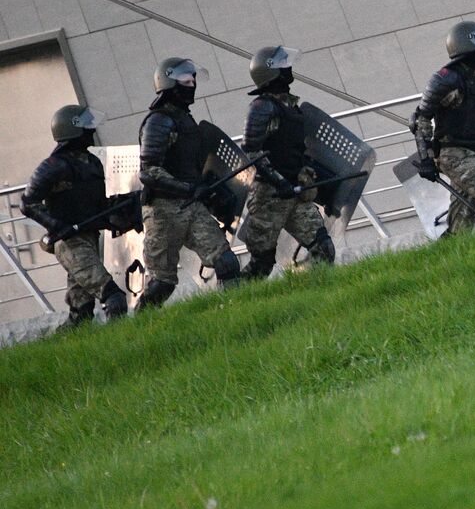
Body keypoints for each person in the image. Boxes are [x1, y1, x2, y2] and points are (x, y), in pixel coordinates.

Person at [135, 57, 240, 310]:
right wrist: (189, 189)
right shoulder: (159, 121)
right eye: (186, 80)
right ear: (169, 83)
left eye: (193, 79)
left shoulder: (184, 119)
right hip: (164, 211)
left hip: (192, 206)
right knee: (163, 282)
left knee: (227, 262)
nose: (192, 84)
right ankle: (138, 326)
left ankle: (235, 312)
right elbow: (149, 172)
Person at [20, 105, 128, 328]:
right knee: (112, 295)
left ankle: (71, 338)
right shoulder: (52, 166)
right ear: (72, 130)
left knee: (81, 311)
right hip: (70, 243)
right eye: (85, 126)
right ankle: (126, 339)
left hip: (89, 237)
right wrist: (58, 226)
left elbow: (97, 203)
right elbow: (27, 203)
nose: (91, 130)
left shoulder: (93, 162)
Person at [410, 21, 475, 235]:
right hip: (454, 154)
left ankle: (450, 255)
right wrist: (426, 159)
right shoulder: (446, 79)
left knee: (462, 218)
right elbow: (421, 119)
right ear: (465, 46)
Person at [239, 46, 335, 279]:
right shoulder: (262, 107)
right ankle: (232, 300)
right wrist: (278, 181)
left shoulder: (287, 104)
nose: (288, 68)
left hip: (295, 192)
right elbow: (252, 151)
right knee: (261, 263)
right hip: (270, 196)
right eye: (282, 65)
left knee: (323, 249)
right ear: (271, 73)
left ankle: (314, 293)